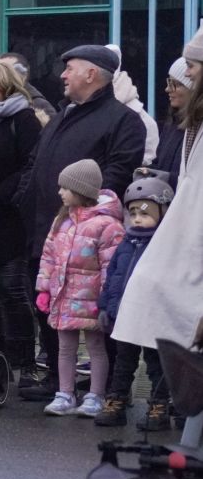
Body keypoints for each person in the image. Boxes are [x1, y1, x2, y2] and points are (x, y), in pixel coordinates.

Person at [16, 44, 146, 400]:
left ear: (92, 73)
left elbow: (118, 173)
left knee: (97, 316)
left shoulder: (123, 121)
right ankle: (61, 382)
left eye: (69, 68)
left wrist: (84, 212)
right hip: (47, 232)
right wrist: (25, 196)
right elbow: (34, 161)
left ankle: (107, 389)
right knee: (49, 306)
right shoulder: (62, 115)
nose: (62, 74)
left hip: (91, 240)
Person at [114, 32, 203, 380]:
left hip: (191, 233)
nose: (188, 74)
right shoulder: (189, 123)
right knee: (147, 289)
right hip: (183, 229)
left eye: (192, 66)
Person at [35, 159, 124, 417]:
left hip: (93, 300)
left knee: (96, 346)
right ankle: (65, 393)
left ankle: (96, 395)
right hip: (64, 296)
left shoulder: (108, 226)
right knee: (65, 347)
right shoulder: (62, 222)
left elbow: (111, 267)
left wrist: (107, 300)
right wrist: (44, 288)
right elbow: (48, 256)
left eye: (65, 188)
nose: (60, 192)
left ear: (81, 190)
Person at [0, 60, 44, 378]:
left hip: (11, 216)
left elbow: (32, 163)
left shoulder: (22, 117)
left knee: (12, 288)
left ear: (5, 85)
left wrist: (4, 194)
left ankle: (25, 360)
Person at [95, 170, 174, 429]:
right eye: (134, 214)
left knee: (155, 364)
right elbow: (113, 277)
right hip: (125, 316)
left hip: (153, 317)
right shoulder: (126, 243)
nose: (138, 220)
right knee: (123, 362)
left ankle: (159, 406)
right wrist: (106, 306)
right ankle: (116, 402)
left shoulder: (164, 245)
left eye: (146, 214)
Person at [155, 57, 192, 179]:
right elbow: (159, 163)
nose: (168, 89)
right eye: (168, 83)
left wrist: (165, 178)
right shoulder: (172, 123)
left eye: (175, 84)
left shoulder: (197, 129)